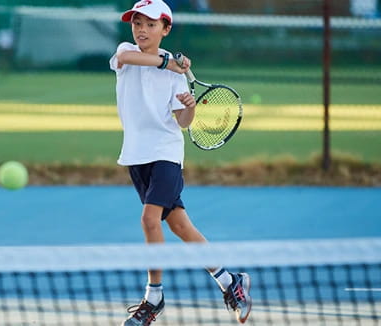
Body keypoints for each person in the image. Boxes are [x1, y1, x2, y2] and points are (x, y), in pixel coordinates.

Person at [109, 1, 252, 325]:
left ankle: (154, 296)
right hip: (136, 156)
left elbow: (185, 122)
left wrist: (190, 104)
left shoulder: (177, 76)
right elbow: (126, 58)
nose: (141, 30)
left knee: (150, 220)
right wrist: (168, 62)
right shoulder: (128, 52)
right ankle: (231, 281)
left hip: (166, 155)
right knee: (180, 226)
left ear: (166, 28)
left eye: (150, 24)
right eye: (137, 23)